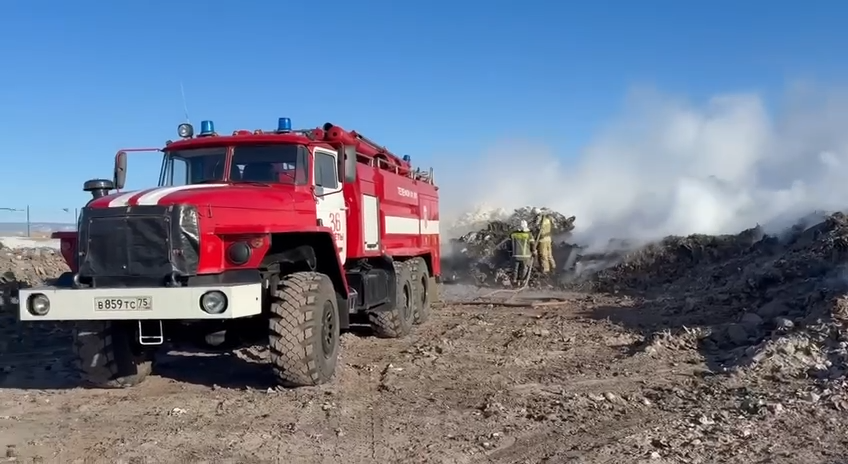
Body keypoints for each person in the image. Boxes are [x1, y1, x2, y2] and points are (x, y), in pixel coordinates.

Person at [510, 220, 535, 284]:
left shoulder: (513, 234)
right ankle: (522, 282)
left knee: (515, 270)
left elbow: (509, 240)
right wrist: (534, 251)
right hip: (525, 256)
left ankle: (514, 282)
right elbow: (532, 244)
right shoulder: (529, 234)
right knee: (524, 269)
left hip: (515, 255)